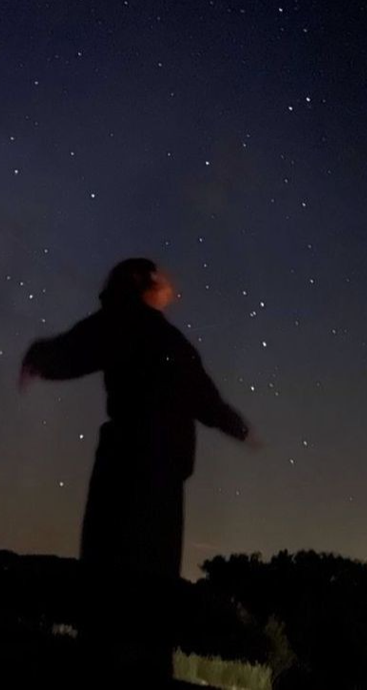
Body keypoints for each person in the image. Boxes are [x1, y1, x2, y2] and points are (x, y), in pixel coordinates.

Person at [19, 258, 263, 685]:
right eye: (161, 276)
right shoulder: (135, 325)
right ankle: (127, 664)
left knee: (128, 574)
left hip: (145, 465)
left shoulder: (149, 332)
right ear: (142, 283)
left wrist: (40, 358)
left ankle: (119, 660)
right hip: (144, 465)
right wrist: (237, 427)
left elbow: (201, 398)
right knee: (137, 576)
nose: (171, 282)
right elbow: (202, 398)